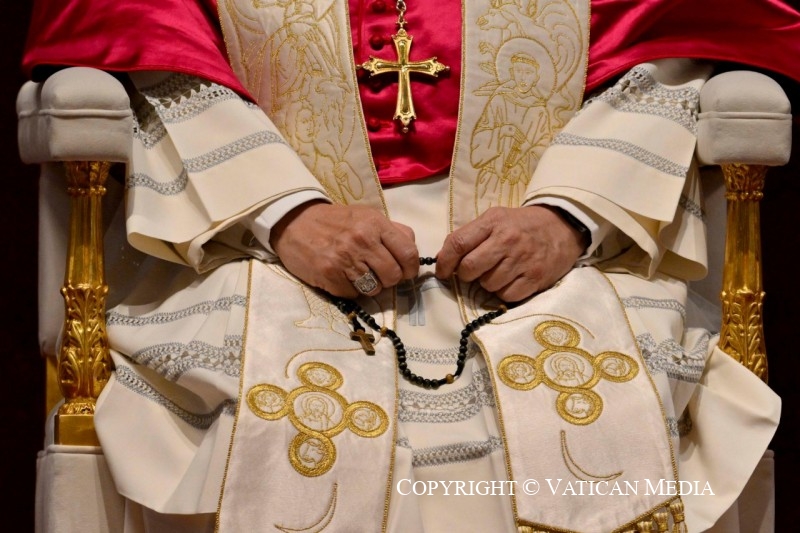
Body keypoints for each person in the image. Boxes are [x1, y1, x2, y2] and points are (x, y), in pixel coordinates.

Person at [21, 0, 800, 531]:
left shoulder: (565, 229)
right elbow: (150, 40)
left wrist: (569, 217)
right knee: (258, 406)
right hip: (255, 240)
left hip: (560, 247)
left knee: (601, 401)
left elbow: (680, 42)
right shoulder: (276, 222)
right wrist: (286, 212)